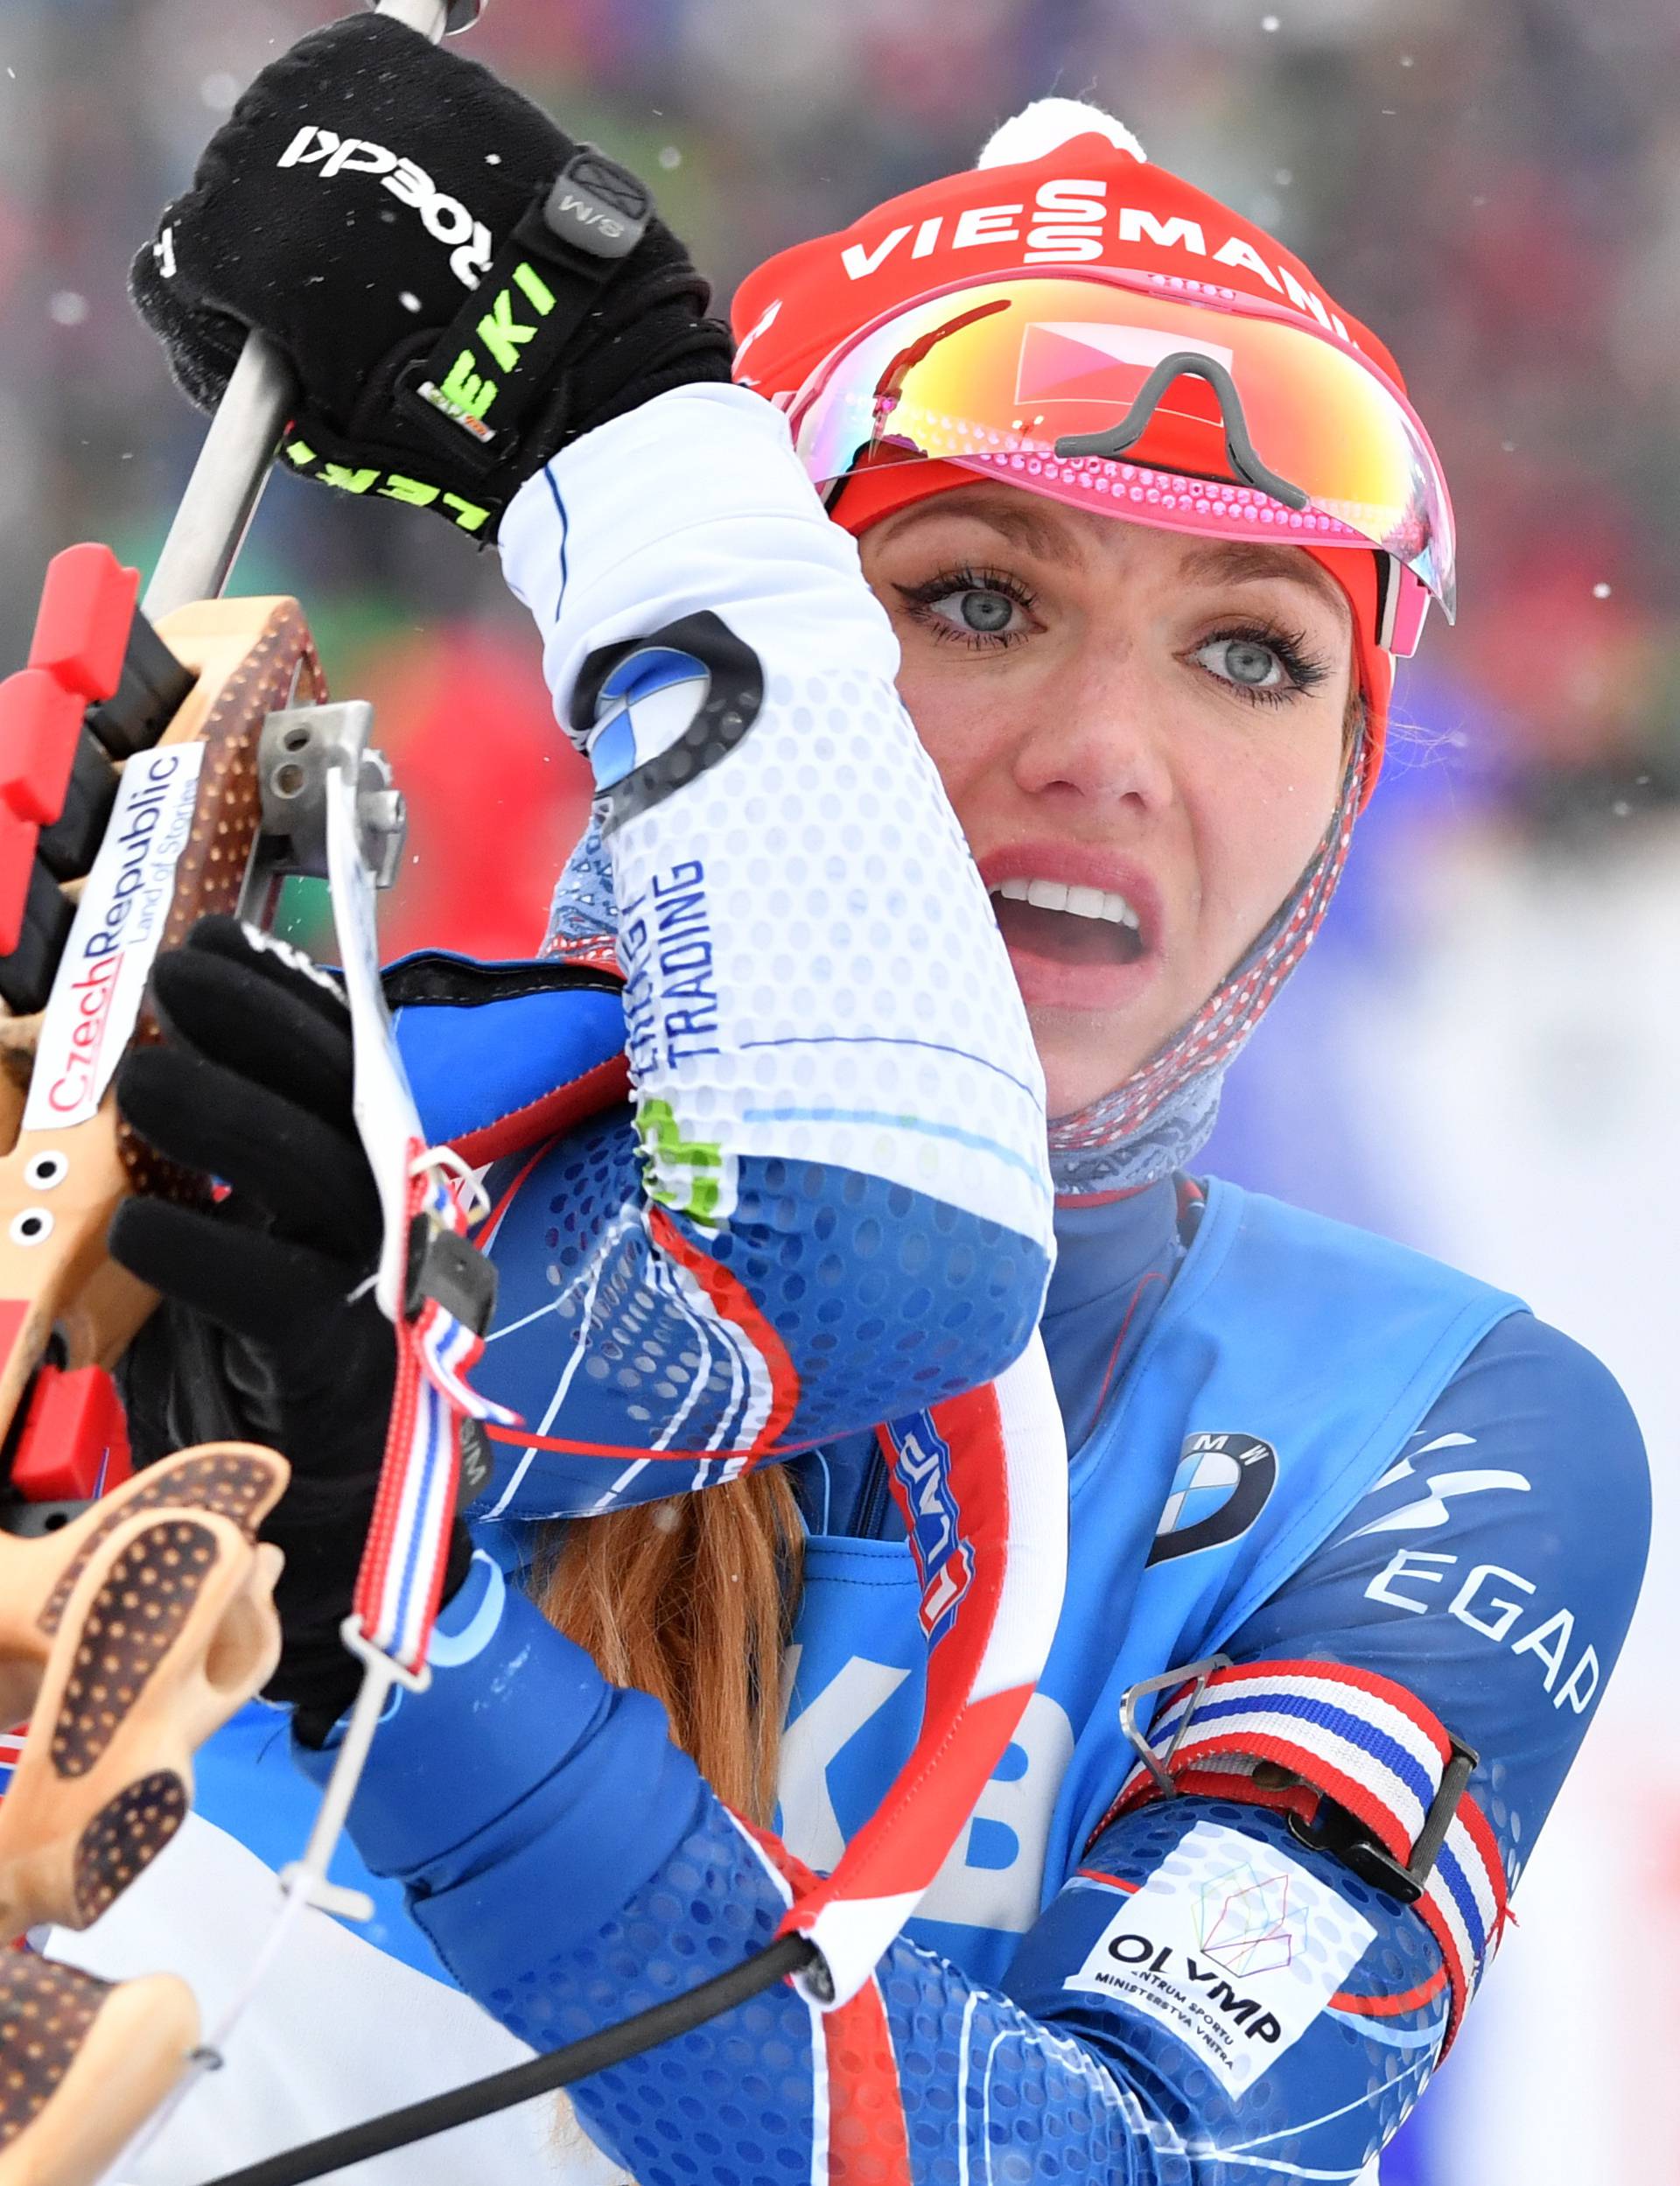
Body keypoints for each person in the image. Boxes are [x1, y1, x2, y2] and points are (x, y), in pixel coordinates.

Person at [64, 16, 1648, 2183]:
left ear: (1358, 768)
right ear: (745, 650)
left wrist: (406, 1637)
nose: (1111, 743)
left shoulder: (1435, 1423)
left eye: (1255, 650)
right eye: (975, 599)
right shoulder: (296, 1160)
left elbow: (1139, 2168)